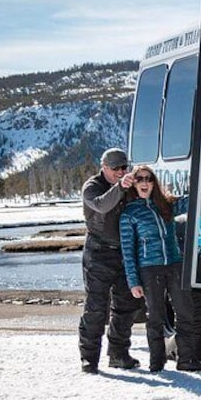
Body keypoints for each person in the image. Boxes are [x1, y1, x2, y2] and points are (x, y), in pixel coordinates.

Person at [119, 165, 201, 372]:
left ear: (154, 182)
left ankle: (186, 359)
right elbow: (128, 251)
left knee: (186, 312)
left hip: (174, 265)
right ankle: (156, 362)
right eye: (140, 179)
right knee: (155, 317)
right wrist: (133, 281)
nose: (144, 183)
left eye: (148, 179)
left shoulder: (166, 205)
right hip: (149, 268)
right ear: (134, 184)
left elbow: (198, 200)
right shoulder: (129, 213)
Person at [78, 148, 144, 374]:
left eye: (124, 167)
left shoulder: (128, 183)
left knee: (127, 305)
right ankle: (89, 358)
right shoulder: (92, 186)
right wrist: (121, 187)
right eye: (116, 168)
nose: (121, 171)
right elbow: (102, 205)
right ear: (104, 167)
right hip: (98, 253)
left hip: (125, 252)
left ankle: (118, 354)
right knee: (96, 307)